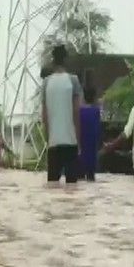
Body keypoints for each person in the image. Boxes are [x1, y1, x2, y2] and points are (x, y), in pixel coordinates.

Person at [41, 44, 83, 184]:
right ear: (66, 60)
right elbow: (76, 113)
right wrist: (78, 141)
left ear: (53, 60)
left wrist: (48, 140)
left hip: (54, 144)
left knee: (52, 188)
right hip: (70, 143)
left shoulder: (46, 83)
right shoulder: (73, 81)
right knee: (72, 190)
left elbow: (44, 116)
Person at [79, 85, 102, 181]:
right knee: (91, 177)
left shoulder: (80, 111)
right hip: (92, 148)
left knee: (79, 180)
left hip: (81, 147)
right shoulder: (96, 111)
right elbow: (98, 130)